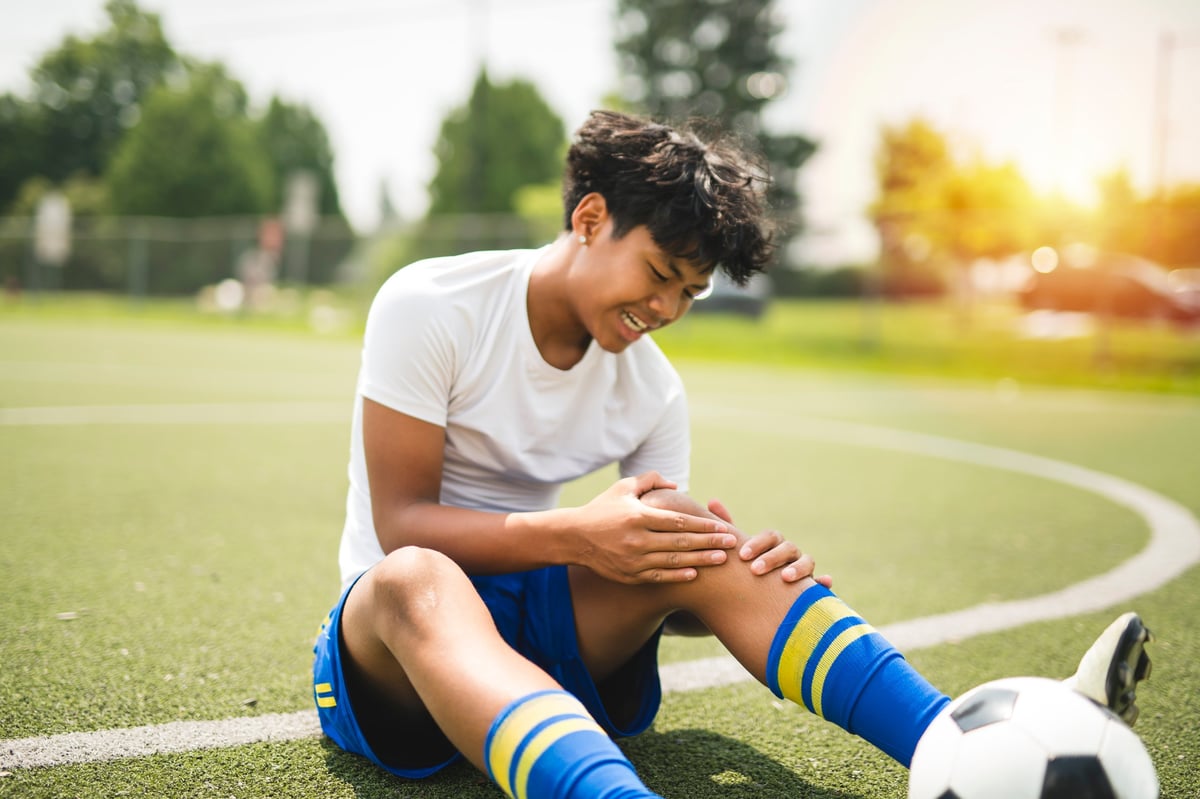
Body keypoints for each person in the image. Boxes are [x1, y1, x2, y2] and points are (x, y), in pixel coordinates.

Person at [312, 110, 1153, 798]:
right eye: (659, 272)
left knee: (684, 527)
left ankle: (958, 740)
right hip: (400, 653)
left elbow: (658, 581)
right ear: (590, 218)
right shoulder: (433, 305)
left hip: (545, 644)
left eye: (690, 291)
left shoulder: (653, 389)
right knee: (414, 575)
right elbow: (400, 524)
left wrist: (744, 575)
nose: (667, 307)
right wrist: (579, 535)